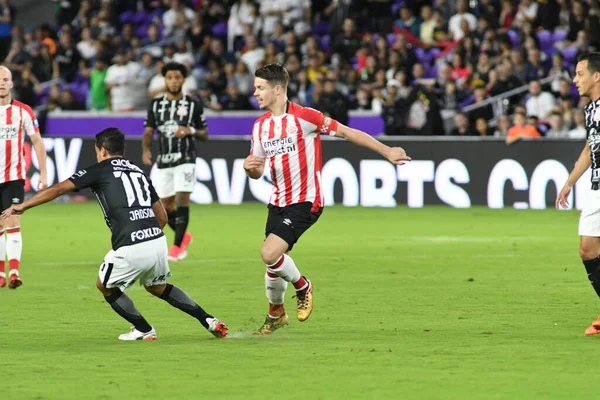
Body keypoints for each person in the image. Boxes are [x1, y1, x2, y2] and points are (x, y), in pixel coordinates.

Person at [2, 128, 228, 340]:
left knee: (104, 285)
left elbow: (59, 188)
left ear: (102, 150)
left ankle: (144, 330)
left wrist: (24, 206)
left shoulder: (100, 170)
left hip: (131, 245)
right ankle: (209, 320)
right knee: (157, 287)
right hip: (157, 242)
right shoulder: (138, 171)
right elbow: (162, 218)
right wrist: (147, 236)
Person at [243, 63, 411, 335]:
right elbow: (258, 169)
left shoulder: (305, 117)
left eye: (260, 88)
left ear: (277, 89)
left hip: (306, 200)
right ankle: (276, 314)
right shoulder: (260, 127)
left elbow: (347, 132)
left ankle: (303, 287)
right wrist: (250, 169)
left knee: (269, 253)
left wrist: (386, 151)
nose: (255, 93)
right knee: (274, 263)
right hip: (277, 201)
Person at [142, 62, 208, 261]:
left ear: (183, 80)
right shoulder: (155, 104)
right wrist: (146, 149)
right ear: (165, 80)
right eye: (169, 77)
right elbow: (148, 131)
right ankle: (183, 235)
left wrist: (191, 130)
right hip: (164, 161)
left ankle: (177, 247)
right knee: (165, 207)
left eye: (177, 77)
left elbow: (205, 133)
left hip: (185, 159)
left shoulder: (193, 104)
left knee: (182, 199)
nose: (173, 81)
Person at [556, 52, 600, 336]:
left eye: (580, 74)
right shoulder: (590, 110)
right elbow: (589, 147)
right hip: (597, 186)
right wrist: (570, 181)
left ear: (597, 76)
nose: (575, 79)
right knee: (587, 250)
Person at [0, 66, 47, 289]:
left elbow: (37, 141)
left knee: (13, 220)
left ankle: (14, 273)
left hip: (14, 177)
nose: (1, 83)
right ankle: (1, 274)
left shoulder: (24, 111)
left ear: (11, 84)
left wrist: (44, 173)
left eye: (5, 79)